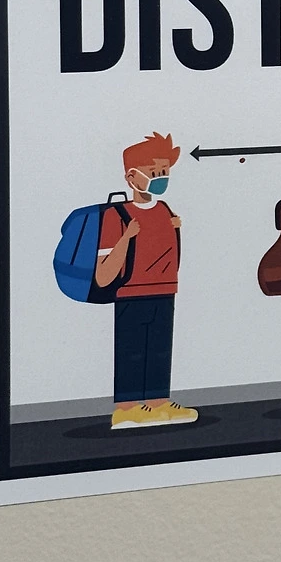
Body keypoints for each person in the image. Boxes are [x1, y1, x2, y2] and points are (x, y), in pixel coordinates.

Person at [95, 131, 199, 430]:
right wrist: (127, 236)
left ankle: (157, 402)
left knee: (159, 348)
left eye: (165, 172)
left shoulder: (165, 210)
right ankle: (127, 409)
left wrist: (174, 229)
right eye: (154, 173)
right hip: (131, 292)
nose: (161, 178)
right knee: (132, 349)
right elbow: (104, 268)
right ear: (132, 177)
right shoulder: (118, 215)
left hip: (164, 289)